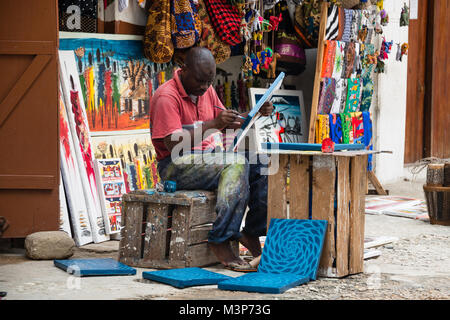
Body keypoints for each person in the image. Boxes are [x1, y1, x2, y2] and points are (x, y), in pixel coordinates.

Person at [149, 47, 274, 271]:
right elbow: (173, 143)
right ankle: (220, 238)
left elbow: (230, 123)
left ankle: (251, 232)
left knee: (261, 162)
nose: (205, 87)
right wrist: (213, 125)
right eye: (200, 81)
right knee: (235, 162)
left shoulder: (204, 90)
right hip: (174, 165)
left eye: (209, 82)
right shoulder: (166, 96)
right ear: (183, 69)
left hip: (206, 158)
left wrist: (254, 112)